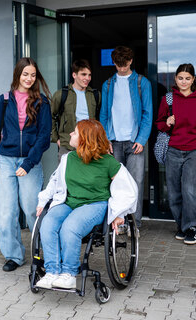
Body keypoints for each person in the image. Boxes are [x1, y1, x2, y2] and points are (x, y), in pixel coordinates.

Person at [35, 119, 138, 289]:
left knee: (70, 227)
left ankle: (68, 273)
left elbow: (127, 189)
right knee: (48, 224)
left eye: (74, 132)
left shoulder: (108, 162)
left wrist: (119, 213)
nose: (70, 134)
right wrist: (43, 200)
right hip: (69, 202)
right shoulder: (69, 158)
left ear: (84, 138)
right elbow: (54, 181)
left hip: (95, 205)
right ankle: (52, 271)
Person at [0, 57, 52, 271]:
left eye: (33, 75)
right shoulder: (4, 100)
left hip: (29, 162)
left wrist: (29, 162)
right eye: (25, 74)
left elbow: (43, 137)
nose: (29, 78)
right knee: (5, 212)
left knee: (32, 209)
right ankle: (14, 256)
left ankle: (40, 253)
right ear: (18, 75)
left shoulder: (42, 102)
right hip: (5, 160)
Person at [155, 63, 196, 245]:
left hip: (195, 151)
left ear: (193, 80)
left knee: (191, 191)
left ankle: (194, 227)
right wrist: (167, 122)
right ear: (175, 79)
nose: (183, 81)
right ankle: (182, 225)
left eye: (187, 78)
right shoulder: (168, 99)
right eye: (180, 78)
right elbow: (158, 124)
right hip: (173, 150)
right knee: (174, 192)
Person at [99, 46, 153, 229]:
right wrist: (105, 139)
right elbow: (103, 115)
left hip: (134, 141)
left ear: (131, 61)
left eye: (125, 64)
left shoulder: (142, 82)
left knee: (135, 183)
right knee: (115, 183)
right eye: (118, 64)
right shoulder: (107, 84)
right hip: (113, 142)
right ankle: (118, 223)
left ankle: (134, 224)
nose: (122, 68)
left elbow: (147, 113)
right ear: (114, 63)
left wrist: (142, 138)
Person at [51, 59, 100, 160]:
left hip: (90, 145)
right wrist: (56, 139)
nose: (87, 78)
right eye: (83, 74)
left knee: (88, 175)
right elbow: (50, 116)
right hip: (67, 145)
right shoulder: (61, 94)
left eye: (89, 75)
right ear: (74, 75)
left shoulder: (95, 95)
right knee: (66, 175)